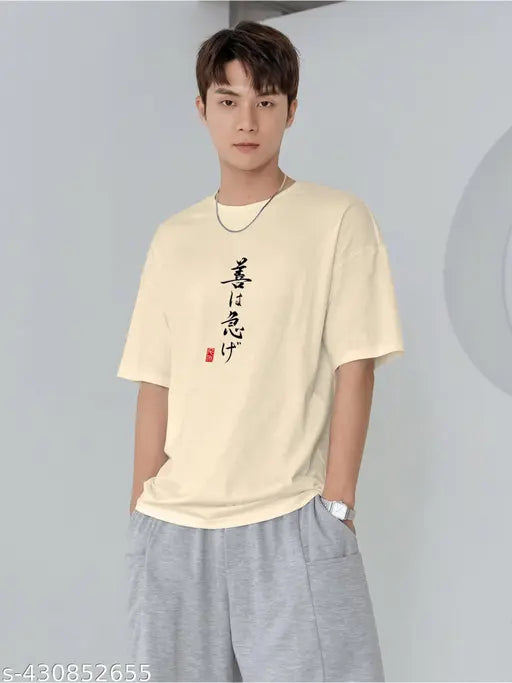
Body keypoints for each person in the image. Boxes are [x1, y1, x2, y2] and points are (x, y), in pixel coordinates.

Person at [116, 19, 404, 683]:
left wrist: (337, 506)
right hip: (173, 530)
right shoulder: (173, 238)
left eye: (266, 101)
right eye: (228, 101)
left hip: (290, 520)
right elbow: (155, 381)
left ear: (291, 111)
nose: (247, 121)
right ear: (202, 109)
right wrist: (140, 511)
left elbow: (355, 365)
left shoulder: (337, 218)